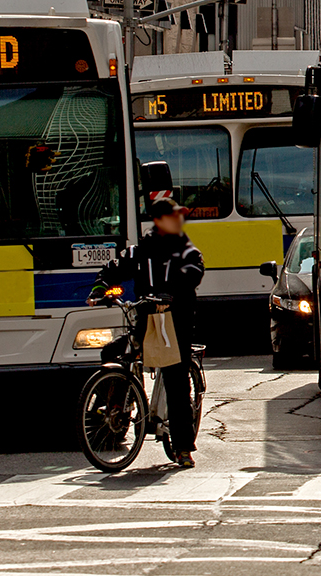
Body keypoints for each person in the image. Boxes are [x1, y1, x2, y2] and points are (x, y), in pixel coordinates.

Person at [92, 193, 205, 468]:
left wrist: (171, 291)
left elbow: (195, 270)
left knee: (176, 381)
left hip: (173, 324)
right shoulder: (139, 250)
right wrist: (100, 289)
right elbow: (113, 269)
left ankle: (182, 448)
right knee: (114, 352)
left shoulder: (185, 249)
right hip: (146, 321)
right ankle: (121, 406)